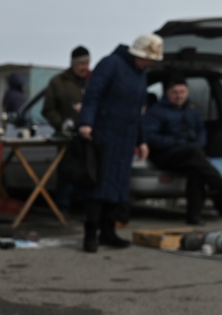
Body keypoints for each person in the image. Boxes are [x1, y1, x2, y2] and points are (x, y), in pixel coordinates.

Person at [78, 34, 162, 252]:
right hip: (105, 134)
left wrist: (142, 140)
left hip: (126, 138)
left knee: (118, 188)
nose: (149, 64)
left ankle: (108, 231)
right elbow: (93, 95)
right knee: (99, 186)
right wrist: (86, 122)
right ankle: (90, 233)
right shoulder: (111, 64)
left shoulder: (141, 75)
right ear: (136, 53)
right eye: (147, 59)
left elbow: (139, 110)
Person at [144, 74, 222, 224]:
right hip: (165, 154)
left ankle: (194, 215)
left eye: (182, 92)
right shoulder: (156, 112)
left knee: (196, 171)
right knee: (195, 156)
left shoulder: (192, 109)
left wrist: (198, 143)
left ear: (187, 92)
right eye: (175, 93)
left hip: (190, 153)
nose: (179, 96)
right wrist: (174, 142)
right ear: (167, 93)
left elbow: (201, 130)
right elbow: (150, 137)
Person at [43, 46, 91, 212]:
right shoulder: (58, 82)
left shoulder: (94, 80)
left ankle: (86, 207)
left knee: (89, 171)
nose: (84, 67)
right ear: (72, 64)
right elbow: (48, 109)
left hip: (89, 137)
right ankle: (63, 207)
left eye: (86, 63)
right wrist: (61, 123)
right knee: (67, 172)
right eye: (80, 64)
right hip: (67, 137)